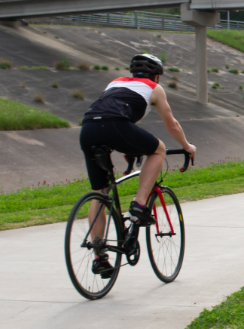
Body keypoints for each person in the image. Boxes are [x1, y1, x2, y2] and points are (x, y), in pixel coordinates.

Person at [79, 54, 196, 276]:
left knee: (100, 192)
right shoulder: (154, 88)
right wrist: (187, 146)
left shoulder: (115, 83)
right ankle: (140, 204)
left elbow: (115, 116)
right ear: (157, 76)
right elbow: (171, 124)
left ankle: (99, 256)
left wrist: (128, 148)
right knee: (159, 149)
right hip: (114, 126)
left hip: (88, 129)